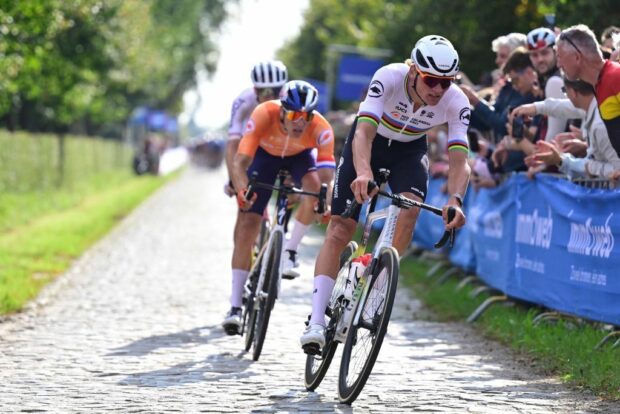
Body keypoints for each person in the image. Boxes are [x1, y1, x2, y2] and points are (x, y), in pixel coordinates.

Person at [299, 35, 470, 352]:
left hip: (409, 150)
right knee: (340, 227)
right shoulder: (388, 77)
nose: (437, 90)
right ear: (414, 71)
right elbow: (363, 132)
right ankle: (317, 322)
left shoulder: (456, 101)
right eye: (431, 80)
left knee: (411, 210)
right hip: (370, 143)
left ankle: (374, 296)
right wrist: (363, 171)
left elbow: (461, 161)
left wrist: (455, 200)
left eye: (446, 83)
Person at [222, 80, 336, 335]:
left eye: (306, 116)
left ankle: (290, 251)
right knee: (247, 226)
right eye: (294, 114)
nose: (300, 122)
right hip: (264, 156)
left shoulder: (322, 128)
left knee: (314, 188)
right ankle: (235, 306)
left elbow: (327, 175)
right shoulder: (263, 113)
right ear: (282, 110)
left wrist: (325, 200)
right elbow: (240, 163)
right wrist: (242, 190)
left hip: (300, 157)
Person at [512, 78, 620, 179]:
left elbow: (616, 169)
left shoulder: (599, 125)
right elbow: (563, 107)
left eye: (564, 91)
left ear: (573, 93)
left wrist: (563, 160)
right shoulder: (594, 106)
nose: (566, 96)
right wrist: (535, 108)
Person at [224, 60, 289, 196]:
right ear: (255, 89)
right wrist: (233, 179)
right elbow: (232, 144)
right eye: (264, 91)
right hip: (251, 142)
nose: (270, 96)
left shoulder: (289, 98)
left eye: (276, 91)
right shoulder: (243, 100)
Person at [555, 24, 620, 159]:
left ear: (577, 57)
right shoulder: (601, 83)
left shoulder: (614, 77)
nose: (558, 65)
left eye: (560, 57)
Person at [526, 27, 567, 142]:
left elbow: (554, 134)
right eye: (534, 55)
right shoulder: (546, 81)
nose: (540, 59)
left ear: (555, 52)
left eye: (544, 53)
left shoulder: (555, 81)